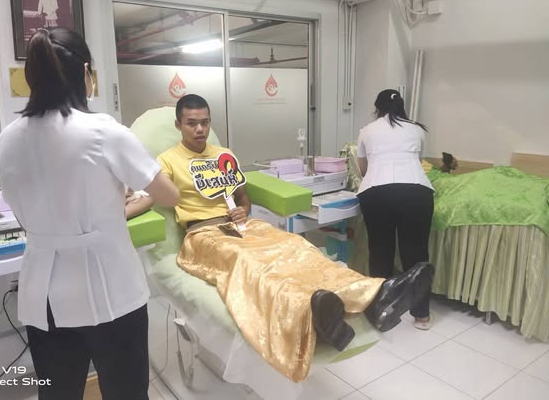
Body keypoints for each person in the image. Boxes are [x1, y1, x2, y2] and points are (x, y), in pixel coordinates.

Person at [154, 94, 434, 383]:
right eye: (192, 123)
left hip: (241, 225)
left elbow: (242, 197)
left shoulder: (223, 154)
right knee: (251, 262)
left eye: (204, 122)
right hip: (202, 234)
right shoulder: (167, 161)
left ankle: (375, 298)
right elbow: (151, 195)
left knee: (296, 246)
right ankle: (309, 311)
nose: (200, 129)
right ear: (178, 125)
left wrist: (243, 210)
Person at [0, 28, 179, 400]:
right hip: (110, 291)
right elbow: (168, 195)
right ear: (85, 73)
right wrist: (121, 196)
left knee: (58, 393)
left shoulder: (7, 139)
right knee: (126, 393)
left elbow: (27, 216)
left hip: (42, 295)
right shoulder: (103, 131)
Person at [356, 88, 435, 330]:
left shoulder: (366, 131)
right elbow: (418, 162)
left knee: (381, 251)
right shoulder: (417, 130)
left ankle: (380, 312)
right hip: (417, 192)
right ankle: (421, 315)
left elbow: (363, 168)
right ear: (401, 107)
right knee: (416, 254)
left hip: (376, 192)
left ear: (377, 109)